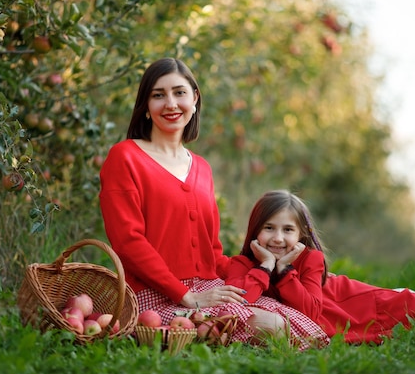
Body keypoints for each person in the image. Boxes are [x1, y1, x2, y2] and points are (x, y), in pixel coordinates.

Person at [99, 58, 330, 349]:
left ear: (195, 99)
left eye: (179, 92)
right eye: (158, 95)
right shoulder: (125, 157)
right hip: (156, 294)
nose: (171, 103)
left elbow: (212, 250)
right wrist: (186, 296)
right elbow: (127, 241)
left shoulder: (202, 168)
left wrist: (263, 266)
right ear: (145, 105)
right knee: (274, 327)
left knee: (297, 320)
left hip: (207, 287)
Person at [226, 189, 415, 345]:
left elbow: (310, 312)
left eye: (288, 229)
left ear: (301, 235)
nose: (278, 238)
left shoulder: (310, 259)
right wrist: (265, 267)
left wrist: (284, 271)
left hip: (347, 304)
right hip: (326, 314)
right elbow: (238, 302)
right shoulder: (241, 264)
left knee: (414, 307)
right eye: (269, 228)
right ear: (255, 231)